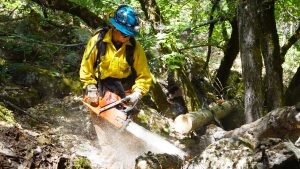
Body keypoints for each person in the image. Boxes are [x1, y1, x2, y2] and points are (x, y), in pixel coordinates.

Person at [79, 5, 152, 105]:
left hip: (123, 88)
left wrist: (138, 92)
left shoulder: (135, 47)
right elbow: (86, 67)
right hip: (99, 85)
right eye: (124, 33)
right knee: (96, 109)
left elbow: (144, 75)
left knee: (121, 116)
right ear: (115, 28)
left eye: (129, 34)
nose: (127, 37)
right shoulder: (98, 41)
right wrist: (90, 86)